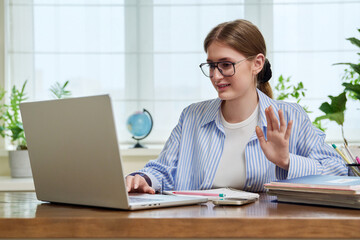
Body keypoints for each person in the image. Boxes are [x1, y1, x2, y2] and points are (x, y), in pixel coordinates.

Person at [126, 19, 348, 194]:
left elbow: (338, 172)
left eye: (225, 65)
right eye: (211, 66)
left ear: (257, 64)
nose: (215, 76)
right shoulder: (192, 116)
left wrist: (286, 161)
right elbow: (163, 170)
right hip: (200, 228)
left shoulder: (291, 116)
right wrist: (142, 179)